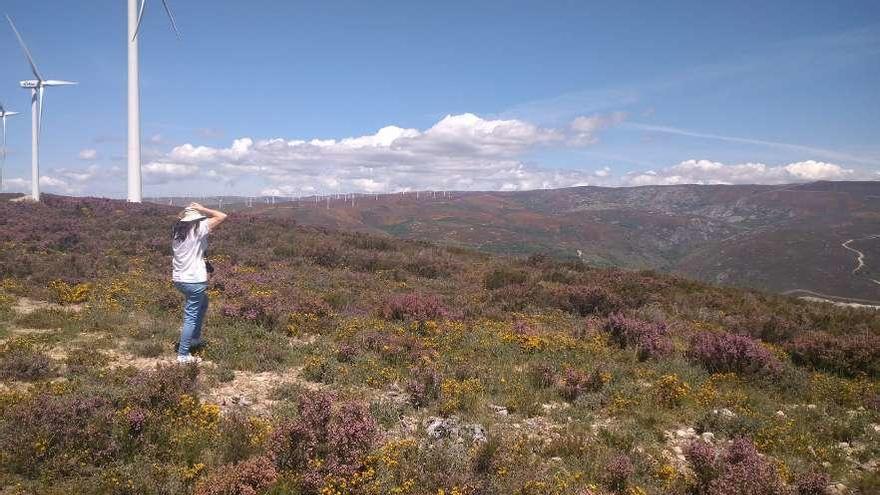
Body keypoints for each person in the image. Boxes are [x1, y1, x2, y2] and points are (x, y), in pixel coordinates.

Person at [171, 202, 227, 363]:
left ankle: (194, 339)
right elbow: (222, 216)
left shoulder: (177, 231)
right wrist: (203, 209)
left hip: (179, 279)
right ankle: (183, 355)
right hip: (194, 280)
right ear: (197, 219)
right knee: (190, 316)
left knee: (203, 302)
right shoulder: (199, 228)